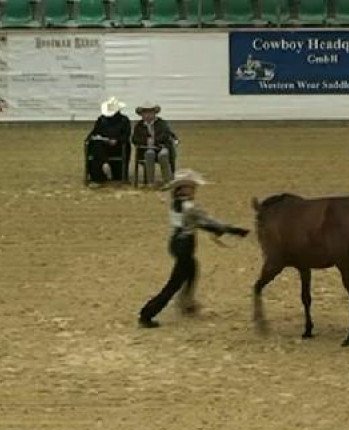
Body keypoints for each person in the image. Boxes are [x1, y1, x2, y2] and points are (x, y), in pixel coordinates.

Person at [138, 169, 250, 328]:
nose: (194, 189)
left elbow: (201, 223)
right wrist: (233, 230)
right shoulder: (189, 206)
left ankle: (187, 303)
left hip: (177, 242)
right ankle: (147, 313)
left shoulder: (177, 203)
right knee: (174, 283)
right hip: (184, 245)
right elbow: (207, 222)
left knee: (192, 269)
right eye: (191, 187)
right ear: (182, 188)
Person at [132, 101, 178, 188]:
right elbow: (134, 139)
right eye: (145, 112)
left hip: (161, 148)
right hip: (146, 150)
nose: (147, 115)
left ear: (154, 113)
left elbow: (166, 135)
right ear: (142, 114)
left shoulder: (162, 123)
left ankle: (167, 181)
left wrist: (153, 141)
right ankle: (150, 182)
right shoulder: (139, 126)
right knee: (149, 154)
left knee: (163, 155)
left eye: (150, 112)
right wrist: (146, 142)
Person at [86, 96, 131, 184]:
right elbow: (93, 133)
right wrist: (97, 138)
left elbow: (126, 136)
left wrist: (116, 140)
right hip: (102, 148)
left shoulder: (124, 120)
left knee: (97, 148)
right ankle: (104, 164)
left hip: (118, 148)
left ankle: (102, 168)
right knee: (96, 145)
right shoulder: (101, 120)